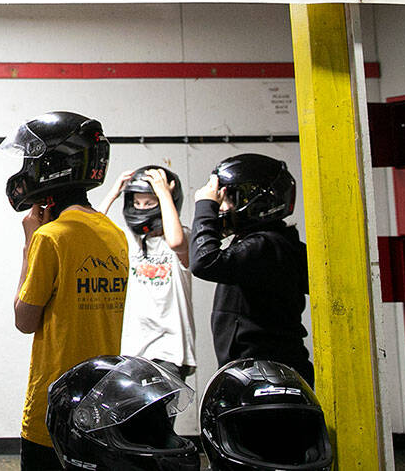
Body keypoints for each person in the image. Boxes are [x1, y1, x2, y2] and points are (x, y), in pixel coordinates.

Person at [5, 111, 129, 471]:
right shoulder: (113, 233)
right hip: (103, 398)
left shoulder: (50, 237)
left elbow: (24, 320)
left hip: (55, 402)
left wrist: (28, 242)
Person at [189, 153, 313, 385]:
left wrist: (205, 206)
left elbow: (204, 261)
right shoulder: (274, 243)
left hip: (267, 376)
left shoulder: (267, 246)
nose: (221, 208)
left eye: (227, 199)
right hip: (258, 371)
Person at [100, 165, 196, 379]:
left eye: (149, 203)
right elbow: (92, 233)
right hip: (135, 350)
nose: (142, 209)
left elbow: (176, 241)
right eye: (137, 203)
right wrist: (114, 193)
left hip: (170, 351)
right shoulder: (132, 241)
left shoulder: (183, 237)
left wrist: (163, 194)